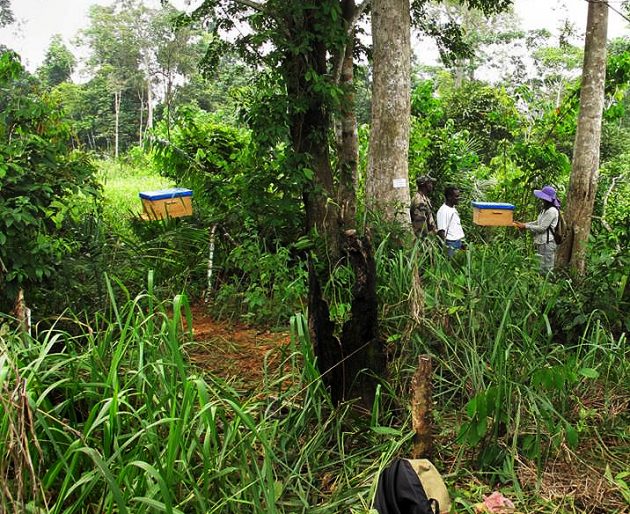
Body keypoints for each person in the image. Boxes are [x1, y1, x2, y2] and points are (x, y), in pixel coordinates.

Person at [513, 185, 560, 274]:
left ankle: (547, 285)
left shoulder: (552, 211)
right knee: (540, 265)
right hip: (542, 242)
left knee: (547, 268)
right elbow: (537, 222)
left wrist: (526, 226)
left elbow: (542, 228)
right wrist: (524, 224)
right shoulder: (545, 210)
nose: (541, 199)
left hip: (547, 243)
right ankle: (540, 284)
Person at [436, 187, 465, 257]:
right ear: (449, 197)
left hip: (458, 242)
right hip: (451, 244)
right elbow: (441, 231)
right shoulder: (443, 211)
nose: (459, 198)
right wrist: (445, 248)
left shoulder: (453, 208)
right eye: (456, 196)